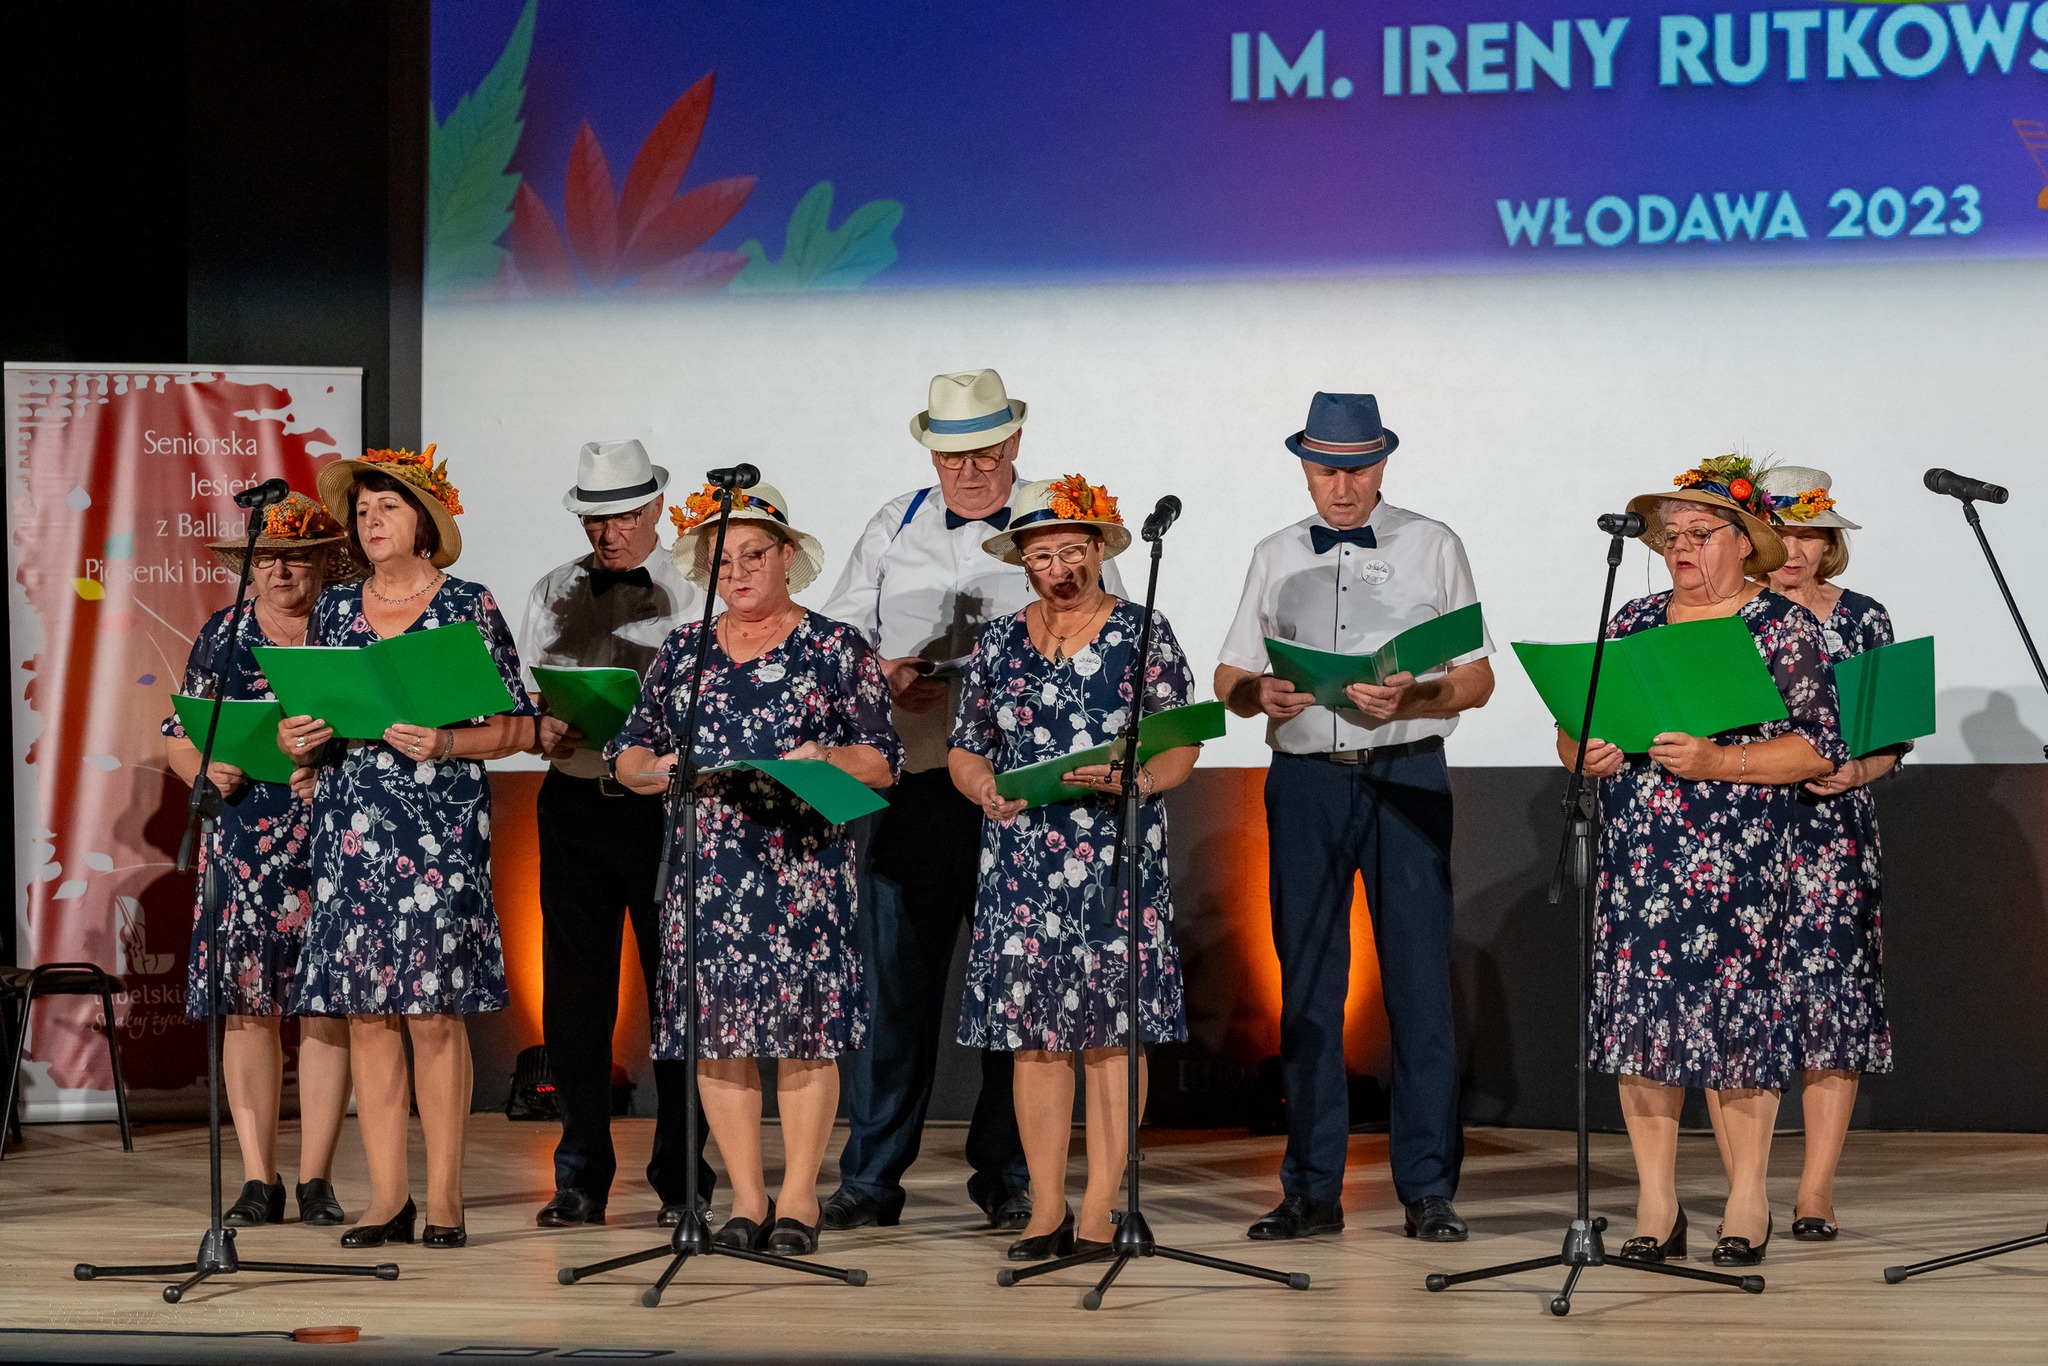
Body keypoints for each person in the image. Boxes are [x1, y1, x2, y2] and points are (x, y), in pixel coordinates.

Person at [819, 369, 1121, 1232]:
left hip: (1026, 801)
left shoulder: (1054, 523)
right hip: (916, 787)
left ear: (1014, 443)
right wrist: (884, 675)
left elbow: (1102, 632)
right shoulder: (895, 523)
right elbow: (839, 641)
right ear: (931, 455)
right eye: (953, 457)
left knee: (1017, 992)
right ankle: (872, 1179)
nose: (971, 471)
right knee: (895, 995)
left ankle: (1011, 1177)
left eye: (986, 453)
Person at [1215, 392, 1494, 1243]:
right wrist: (1258, 692)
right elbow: (1230, 678)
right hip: (1306, 782)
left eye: (1358, 469)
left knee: (1418, 986)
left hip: (1406, 772)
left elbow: (1477, 678)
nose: (1342, 487)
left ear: (1383, 465)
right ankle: (1310, 1190)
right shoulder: (1274, 553)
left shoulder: (1433, 544)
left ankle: (1427, 1189)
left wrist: (1415, 695)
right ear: (1305, 467)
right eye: (1326, 470)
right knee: (1307, 985)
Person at [1563, 455, 1846, 1268]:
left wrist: (1721, 761)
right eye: (1670, 535)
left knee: (1736, 1028)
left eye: (1698, 533)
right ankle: (1657, 1203)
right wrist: (1584, 751)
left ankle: (1747, 1200)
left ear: (1744, 542)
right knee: (1643, 1024)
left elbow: (1818, 749)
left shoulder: (1780, 626)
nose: (1679, 546)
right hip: (1642, 856)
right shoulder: (1634, 619)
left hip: (1739, 863)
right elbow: (1576, 727)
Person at [608, 481, 900, 1257]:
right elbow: (629, 751)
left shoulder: (834, 647)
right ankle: (746, 1199)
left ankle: (799, 1198)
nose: (737, 573)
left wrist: (825, 757)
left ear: (787, 556)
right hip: (707, 872)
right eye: (722, 561)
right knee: (718, 1039)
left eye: (753, 555)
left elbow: (882, 759)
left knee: (805, 1038)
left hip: (802, 869)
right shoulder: (684, 650)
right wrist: (652, 769)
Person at [280, 445, 536, 1249]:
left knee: (430, 1013)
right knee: (367, 1015)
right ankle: (387, 1197)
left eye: (386, 506)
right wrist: (300, 740)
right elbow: (316, 717)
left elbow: (517, 727)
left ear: (424, 520)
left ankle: (447, 1198)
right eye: (361, 511)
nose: (370, 521)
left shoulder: (466, 605)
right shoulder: (334, 608)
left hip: (437, 829)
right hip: (351, 828)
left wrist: (448, 742)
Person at [949, 475, 1201, 1260]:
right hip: (1023, 856)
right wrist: (983, 787)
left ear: (1099, 549)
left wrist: (1142, 778)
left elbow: (1182, 739)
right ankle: (1045, 1209)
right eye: (1041, 556)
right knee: (1036, 1040)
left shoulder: (1142, 631)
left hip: (1114, 850)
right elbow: (967, 746)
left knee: (1112, 1036)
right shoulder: (998, 641)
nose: (1058, 569)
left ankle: (1100, 1211)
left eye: (1071, 551)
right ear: (1022, 562)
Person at [516, 439, 716, 1229]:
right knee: (574, 997)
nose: (611, 532)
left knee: (677, 991)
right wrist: (544, 725)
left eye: (627, 515)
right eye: (596, 520)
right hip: (574, 801)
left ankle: (682, 1175)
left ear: (657, 508)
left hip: (662, 806)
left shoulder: (696, 586)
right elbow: (531, 693)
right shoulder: (552, 587)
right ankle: (580, 1174)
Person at [163, 493, 355, 1228]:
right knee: (248, 1007)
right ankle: (255, 1179)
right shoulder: (226, 632)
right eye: (269, 558)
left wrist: (334, 766)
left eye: (297, 558)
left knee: (324, 1006)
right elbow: (179, 734)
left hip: (334, 831)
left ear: (324, 564)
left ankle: (316, 1180)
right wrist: (202, 770)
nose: (281, 571)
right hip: (244, 834)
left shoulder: (346, 628)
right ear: (251, 567)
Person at [1755, 465, 1899, 1242]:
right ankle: (1747, 1193)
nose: (1795, 550)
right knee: (1750, 1003)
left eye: (1810, 535)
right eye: (1781, 533)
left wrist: (1858, 771)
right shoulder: (1732, 614)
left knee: (1833, 1009)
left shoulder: (1864, 617)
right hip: (1741, 829)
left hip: (1833, 832)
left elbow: (1891, 735)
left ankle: (1815, 1191)